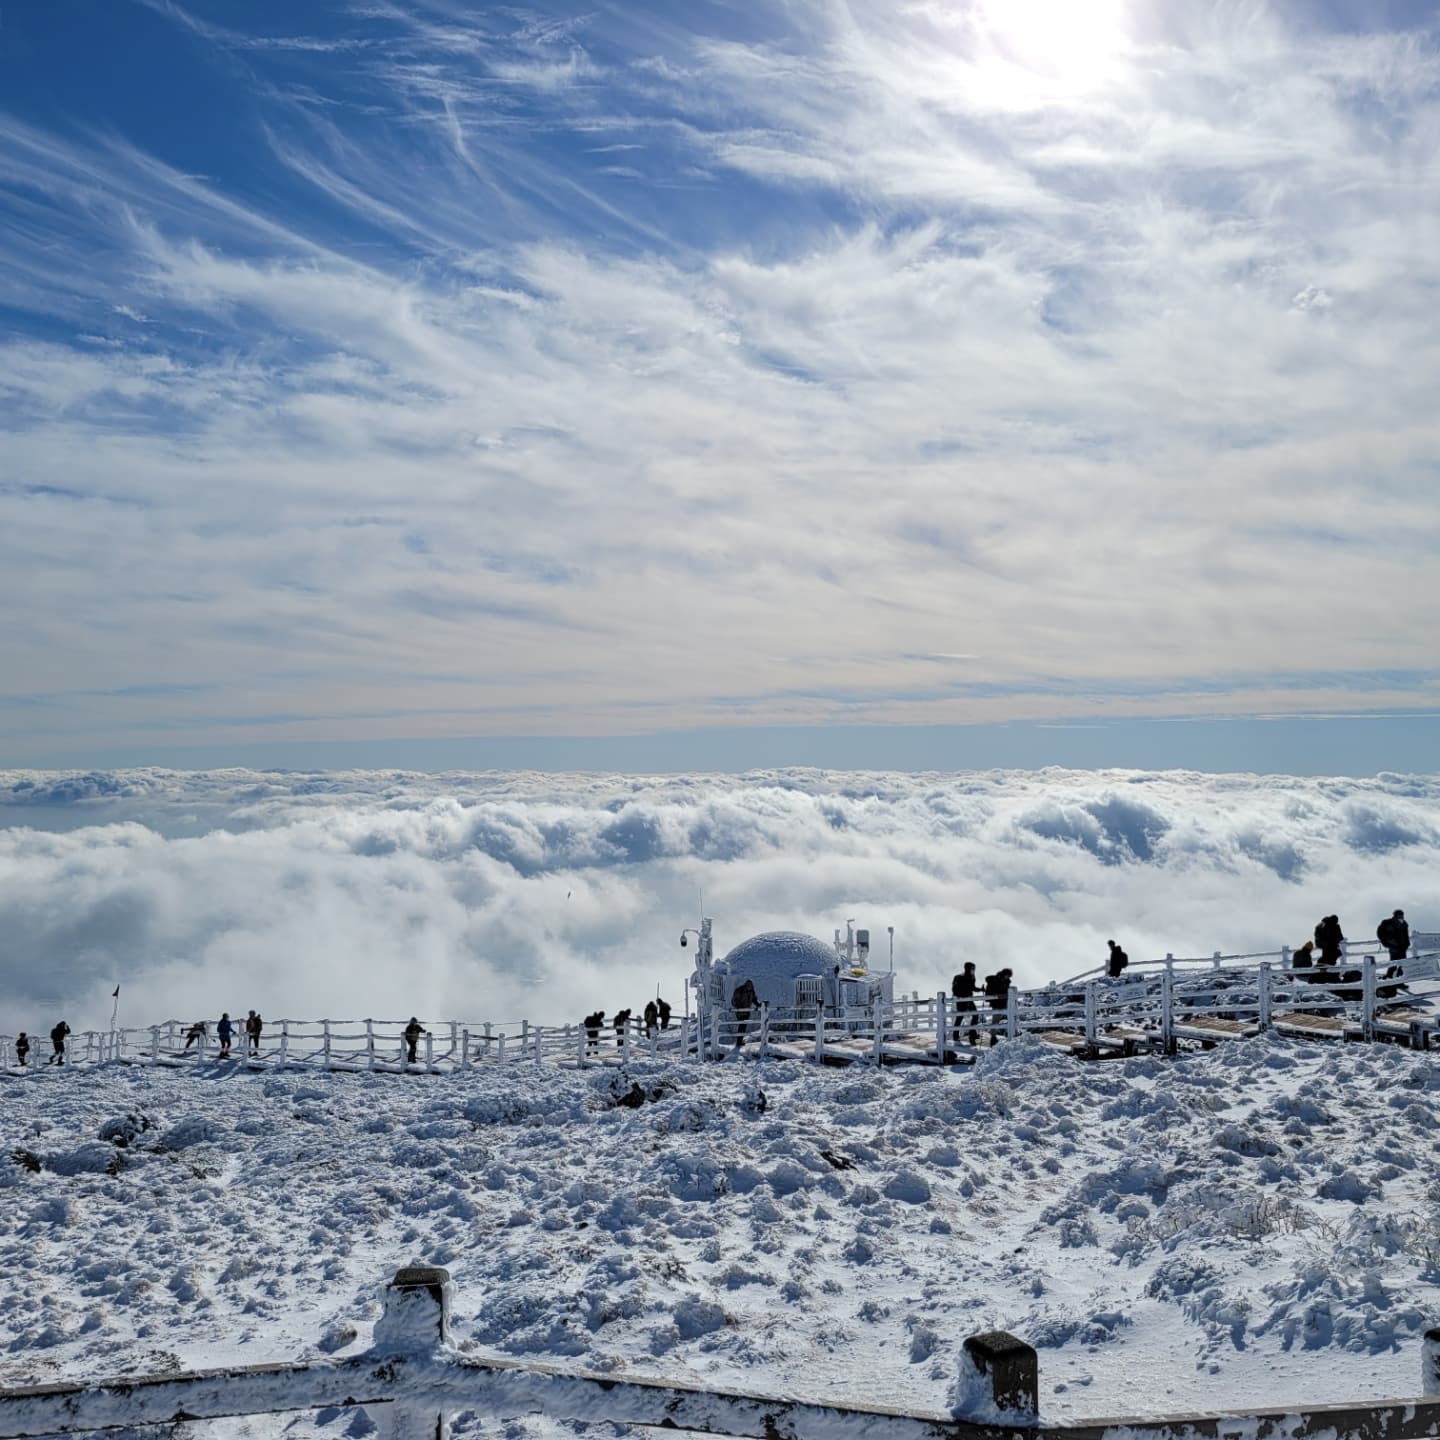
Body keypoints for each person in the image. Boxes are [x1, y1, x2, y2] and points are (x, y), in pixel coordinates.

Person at [951, 962, 979, 1044]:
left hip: (968, 1000)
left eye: (974, 969)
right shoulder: (959, 977)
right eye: (973, 968)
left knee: (975, 1015)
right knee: (960, 1017)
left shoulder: (972, 977)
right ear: (968, 968)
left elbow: (973, 988)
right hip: (962, 1000)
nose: (974, 970)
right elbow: (955, 990)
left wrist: (980, 989)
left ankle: (972, 1035)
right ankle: (956, 1037)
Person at [731, 978, 758, 1047]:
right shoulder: (740, 990)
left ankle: (740, 1040)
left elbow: (754, 999)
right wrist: (739, 1008)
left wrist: (759, 1005)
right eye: (749, 986)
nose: (750, 987)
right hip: (740, 1011)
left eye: (751, 986)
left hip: (747, 1011)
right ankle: (739, 1041)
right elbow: (734, 1000)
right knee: (741, 1025)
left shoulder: (752, 991)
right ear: (746, 985)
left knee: (743, 1026)